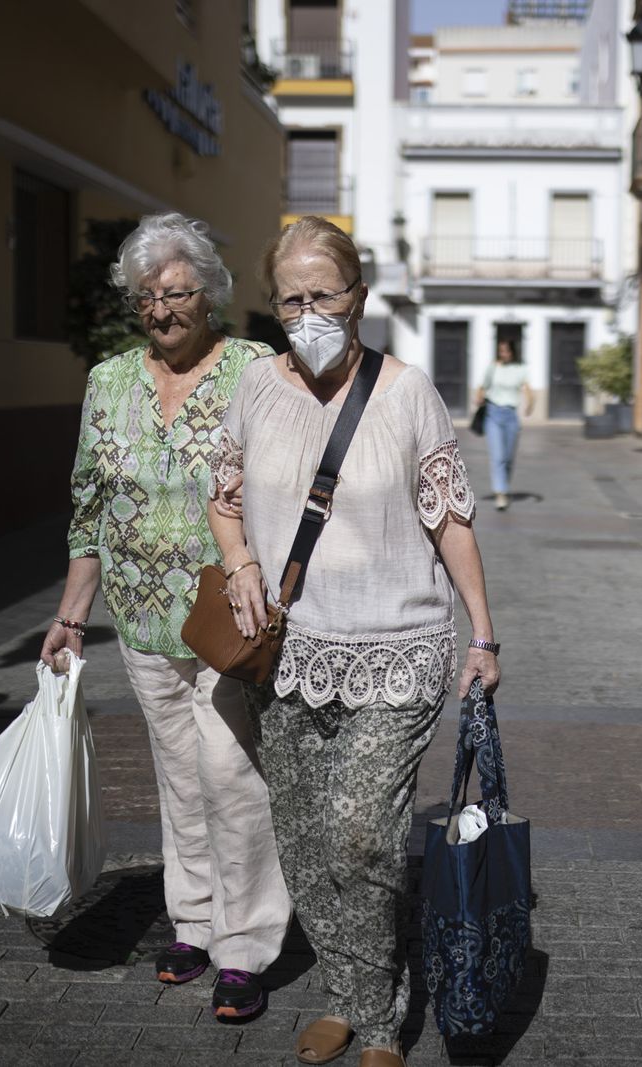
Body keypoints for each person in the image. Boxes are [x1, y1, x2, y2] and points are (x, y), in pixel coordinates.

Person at [207, 217, 502, 1067]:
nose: (308, 312)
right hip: (285, 652)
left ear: (359, 298)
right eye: (291, 298)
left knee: (362, 833)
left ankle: (382, 1021)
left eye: (323, 295)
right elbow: (224, 498)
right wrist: (238, 565)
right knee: (303, 839)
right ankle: (351, 993)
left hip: (398, 647)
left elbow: (449, 517)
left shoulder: (406, 392)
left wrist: (482, 634)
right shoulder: (258, 387)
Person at [39, 213, 291, 1021]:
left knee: (229, 772)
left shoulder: (256, 368)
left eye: (177, 294)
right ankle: (192, 919)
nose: (162, 311)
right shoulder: (109, 380)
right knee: (178, 777)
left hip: (228, 612)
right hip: (143, 617)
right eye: (147, 298)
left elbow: (289, 481)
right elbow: (89, 504)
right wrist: (72, 617)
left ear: (210, 294)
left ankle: (245, 944)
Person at [473, 338, 533, 511]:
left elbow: (528, 389)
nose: (503, 354)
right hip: (493, 414)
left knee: (507, 458)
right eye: (501, 351)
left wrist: (530, 404)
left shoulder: (521, 368)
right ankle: (501, 493)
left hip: (511, 416)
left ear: (513, 352)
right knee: (498, 456)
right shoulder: (493, 367)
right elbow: (482, 386)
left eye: (506, 351)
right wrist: (478, 397)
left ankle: (503, 487)